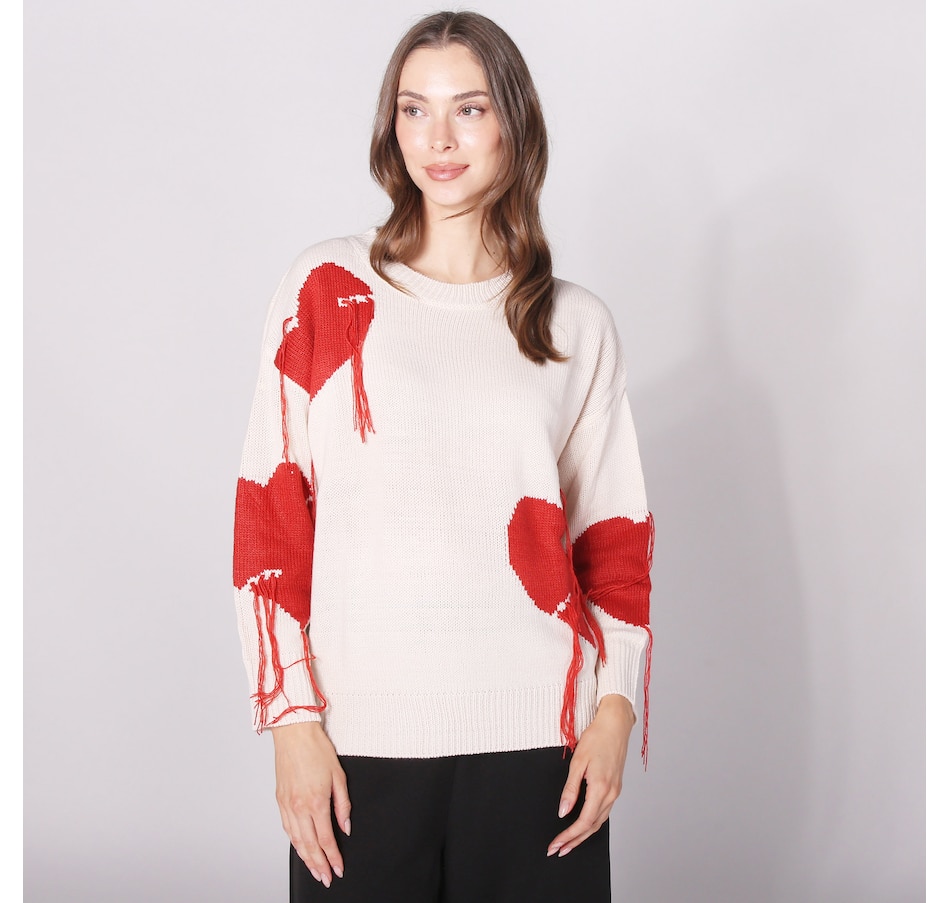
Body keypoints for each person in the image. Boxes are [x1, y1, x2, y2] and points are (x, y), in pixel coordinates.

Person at [232, 10, 654, 902]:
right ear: (391, 127)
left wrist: (615, 707)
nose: (439, 139)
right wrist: (290, 718)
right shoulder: (326, 290)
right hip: (359, 745)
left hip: (543, 749)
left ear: (513, 122)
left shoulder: (573, 324)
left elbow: (615, 543)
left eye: (469, 108)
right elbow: (269, 522)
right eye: (414, 109)